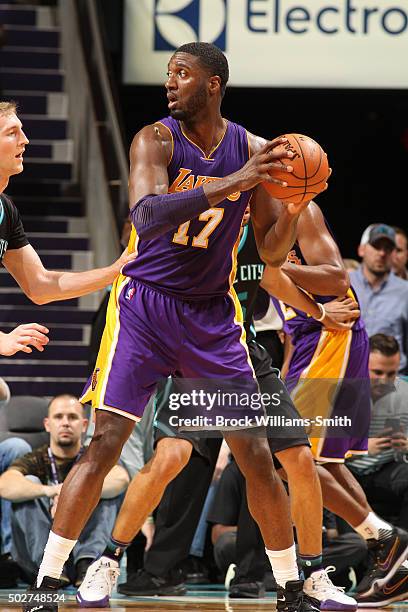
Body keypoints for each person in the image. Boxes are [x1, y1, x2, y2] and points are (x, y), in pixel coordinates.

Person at [27, 42, 330, 612]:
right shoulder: (156, 139)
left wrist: (291, 205)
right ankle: (48, 580)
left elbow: (267, 254)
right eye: (169, 74)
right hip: (144, 305)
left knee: (254, 452)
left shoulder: (256, 151)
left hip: (212, 316)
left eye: (183, 74)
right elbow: (146, 216)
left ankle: (292, 585)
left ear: (214, 84)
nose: (171, 83)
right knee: (106, 443)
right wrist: (236, 180)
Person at [261, 206, 408, 606]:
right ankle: (384, 542)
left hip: (332, 333)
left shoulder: (298, 208)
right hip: (308, 337)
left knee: (287, 457)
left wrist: (272, 267)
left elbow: (337, 276)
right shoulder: (242, 213)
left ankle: (382, 537)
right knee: (320, 463)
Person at [0, 100, 135, 357]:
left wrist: (115, 271)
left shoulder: (6, 211)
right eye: (12, 132)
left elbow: (40, 285)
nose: (25, 140)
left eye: (22, 130)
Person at [0, 394, 129, 586]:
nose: (66, 423)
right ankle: (48, 567)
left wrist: (74, 492)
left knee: (100, 482)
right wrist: (51, 491)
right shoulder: (36, 458)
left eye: (72, 417)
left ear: (84, 425)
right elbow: (5, 486)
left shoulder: (93, 458)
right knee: (28, 482)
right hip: (39, 561)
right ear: (47, 424)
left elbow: (121, 478)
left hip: (81, 558)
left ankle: (88, 563)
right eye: (58, 417)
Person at [346, 333, 408, 606]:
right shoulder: (339, 390)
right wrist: (361, 447)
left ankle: (401, 568)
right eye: (378, 372)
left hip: (386, 470)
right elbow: (312, 450)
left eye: (392, 373)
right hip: (345, 472)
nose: (385, 380)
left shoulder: (404, 393)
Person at [349, 223, 408, 374]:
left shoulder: (404, 291)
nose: (382, 253)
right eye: (376, 246)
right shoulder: (345, 285)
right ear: (361, 250)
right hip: (349, 377)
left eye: (388, 248)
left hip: (392, 380)